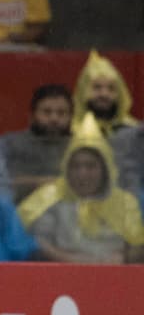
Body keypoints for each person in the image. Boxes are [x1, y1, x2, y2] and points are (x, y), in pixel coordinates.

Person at [18, 113, 144, 264]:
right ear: (66, 168)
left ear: (105, 170)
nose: (82, 174)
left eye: (90, 166)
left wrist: (123, 259)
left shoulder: (125, 203)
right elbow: (38, 245)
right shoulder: (47, 200)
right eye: (75, 166)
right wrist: (81, 263)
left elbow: (138, 247)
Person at [1, 85, 73, 202]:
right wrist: (42, 183)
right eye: (47, 112)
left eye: (61, 113)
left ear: (71, 117)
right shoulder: (10, 144)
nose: (54, 118)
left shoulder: (79, 148)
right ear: (32, 115)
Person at [72, 50, 138, 140]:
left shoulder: (134, 132)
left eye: (111, 88)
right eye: (97, 87)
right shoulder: (71, 131)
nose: (104, 94)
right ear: (83, 92)